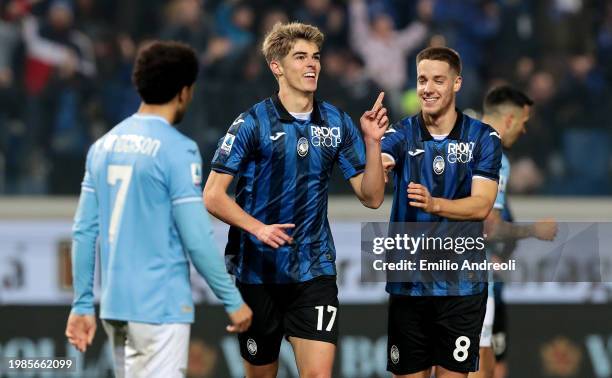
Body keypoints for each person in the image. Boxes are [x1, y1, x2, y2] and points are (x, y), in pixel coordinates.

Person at [204, 22, 388, 378]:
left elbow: (372, 197)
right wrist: (257, 228)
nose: (311, 65)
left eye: (316, 57)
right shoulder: (252, 123)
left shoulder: (337, 122)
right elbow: (212, 195)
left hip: (313, 270)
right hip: (258, 272)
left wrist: (373, 142)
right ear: (277, 66)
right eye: (300, 57)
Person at [64, 40, 252, 378]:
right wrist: (232, 300)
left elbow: (83, 231)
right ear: (184, 92)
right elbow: (196, 237)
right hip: (160, 307)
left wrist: (81, 304)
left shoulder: (103, 147)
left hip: (116, 307)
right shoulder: (177, 150)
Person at [378, 46, 502, 377]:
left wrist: (435, 204)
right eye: (421, 80)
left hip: (461, 286)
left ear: (456, 83)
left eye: (437, 80)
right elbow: (375, 181)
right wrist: (373, 147)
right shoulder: (399, 134)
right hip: (410, 285)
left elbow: (482, 205)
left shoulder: (484, 138)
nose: (427, 88)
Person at [473, 85, 558, 378]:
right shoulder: (494, 155)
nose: (523, 132)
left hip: (433, 267)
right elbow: (490, 227)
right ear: (508, 120)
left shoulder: (455, 141)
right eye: (522, 123)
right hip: (470, 277)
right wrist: (535, 229)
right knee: (482, 366)